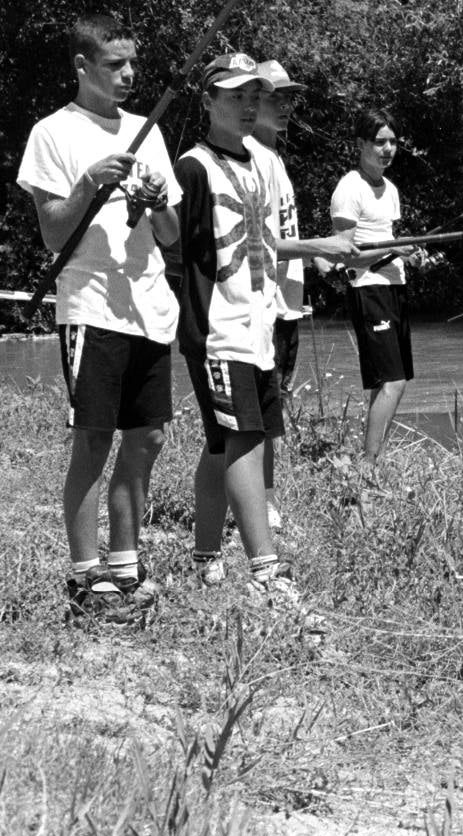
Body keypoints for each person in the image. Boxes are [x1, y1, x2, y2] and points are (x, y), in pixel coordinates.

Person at [17, 12, 180, 625]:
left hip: (150, 306)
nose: (129, 75)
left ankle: (126, 561)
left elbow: (169, 237)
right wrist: (89, 183)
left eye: (133, 63)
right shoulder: (51, 133)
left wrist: (158, 204)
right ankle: (85, 576)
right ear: (83, 67)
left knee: (150, 436)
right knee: (94, 436)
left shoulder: (149, 132)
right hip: (91, 305)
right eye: (116, 65)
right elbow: (53, 233)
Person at [176, 52, 351, 601]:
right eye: (235, 96)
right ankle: (265, 574)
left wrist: (323, 252)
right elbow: (174, 250)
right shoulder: (193, 167)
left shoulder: (258, 163)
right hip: (217, 330)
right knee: (244, 438)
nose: (249, 105)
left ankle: (206, 555)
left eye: (255, 95)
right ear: (207, 102)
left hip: (258, 324)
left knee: (221, 445)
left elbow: (267, 243)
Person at [246, 60, 356, 529]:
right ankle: (258, 505)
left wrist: (318, 258)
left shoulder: (274, 157)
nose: (287, 105)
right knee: (259, 413)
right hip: (263, 305)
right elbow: (256, 240)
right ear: (252, 101)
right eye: (277, 96)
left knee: (276, 405)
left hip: (288, 301)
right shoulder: (251, 155)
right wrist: (319, 245)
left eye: (291, 97)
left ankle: (265, 500)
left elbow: (282, 237)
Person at [330, 108, 416, 475]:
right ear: (361, 144)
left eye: (393, 142)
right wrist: (392, 248)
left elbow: (388, 239)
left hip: (394, 286)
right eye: (380, 142)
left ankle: (370, 462)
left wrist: (405, 250)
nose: (387, 149)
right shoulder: (349, 188)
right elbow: (343, 253)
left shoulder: (391, 189)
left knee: (389, 382)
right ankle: (369, 468)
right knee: (392, 382)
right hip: (368, 289)